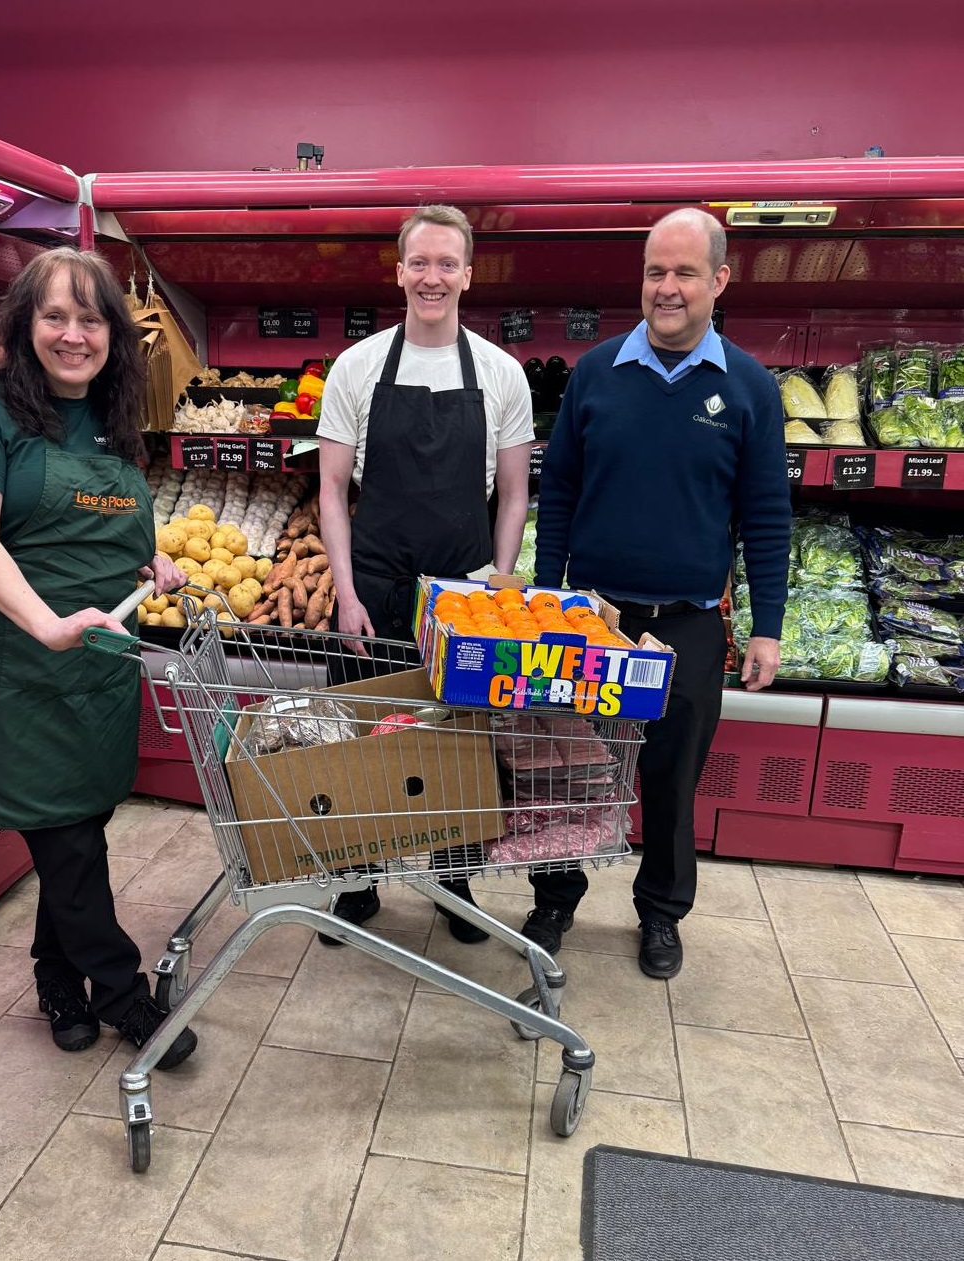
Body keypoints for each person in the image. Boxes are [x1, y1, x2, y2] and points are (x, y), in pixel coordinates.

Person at [0, 246, 197, 1068]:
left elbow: (104, 524)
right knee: (68, 839)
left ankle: (57, 981)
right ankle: (122, 994)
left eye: (90, 318)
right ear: (25, 324)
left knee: (78, 820)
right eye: (54, 315)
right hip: (13, 659)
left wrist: (148, 560)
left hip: (95, 658)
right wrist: (45, 623)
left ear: (114, 333)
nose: (72, 334)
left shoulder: (114, 414)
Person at [531, 207, 790, 978]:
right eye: (653, 271)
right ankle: (554, 897)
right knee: (568, 769)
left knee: (671, 782)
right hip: (593, 617)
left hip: (688, 624)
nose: (666, 287)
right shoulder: (595, 373)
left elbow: (766, 516)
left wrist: (767, 626)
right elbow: (559, 491)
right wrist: (545, 593)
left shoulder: (748, 387)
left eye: (683, 272)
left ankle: (661, 911)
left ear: (719, 279)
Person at [317, 204, 534, 945]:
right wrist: (346, 592)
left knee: (458, 744)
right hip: (374, 587)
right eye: (419, 262)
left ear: (467, 274)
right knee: (361, 738)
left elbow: (513, 495)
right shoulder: (357, 366)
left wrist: (495, 586)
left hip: (461, 593)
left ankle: (454, 881)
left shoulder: (501, 373)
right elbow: (331, 490)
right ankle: (357, 880)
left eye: (446, 263)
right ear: (399, 271)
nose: (431, 277)